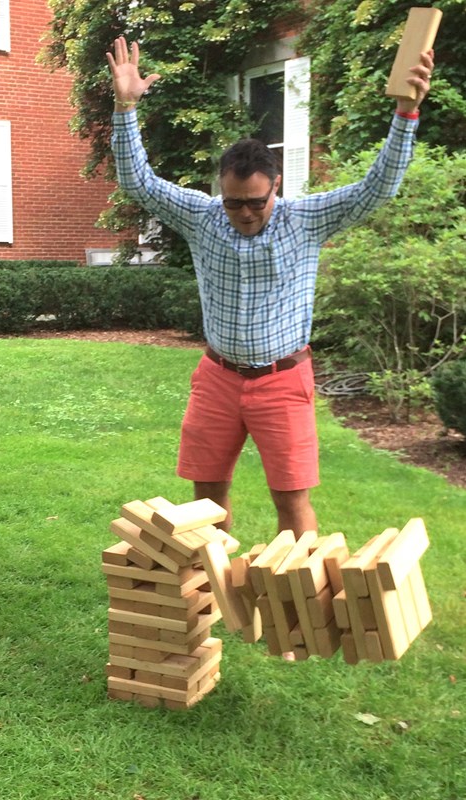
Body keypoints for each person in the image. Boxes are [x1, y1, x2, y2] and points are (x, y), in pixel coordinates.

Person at [107, 36, 433, 538]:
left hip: (283, 378)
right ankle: (213, 595)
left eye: (255, 202)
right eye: (234, 202)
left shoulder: (306, 220)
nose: (244, 213)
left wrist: (405, 114)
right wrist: (125, 106)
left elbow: (378, 188)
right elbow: (138, 183)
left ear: (275, 185)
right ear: (220, 189)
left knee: (291, 499)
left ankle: (295, 606)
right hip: (217, 377)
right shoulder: (201, 217)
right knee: (207, 499)